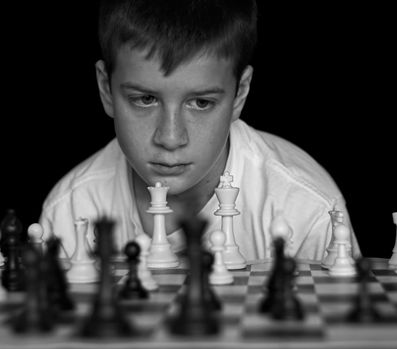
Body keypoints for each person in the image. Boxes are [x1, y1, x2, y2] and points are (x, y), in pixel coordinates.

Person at [39, 0, 360, 261]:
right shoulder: (71, 209)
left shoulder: (306, 209)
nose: (170, 138)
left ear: (241, 93)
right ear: (106, 90)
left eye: (202, 103)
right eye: (146, 99)